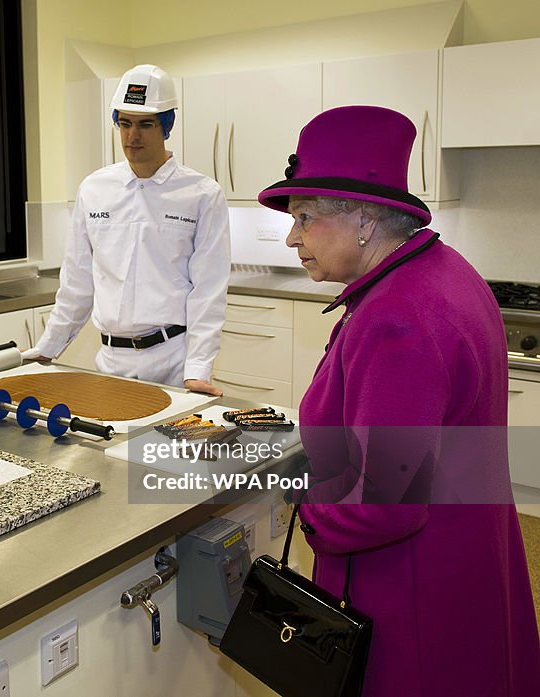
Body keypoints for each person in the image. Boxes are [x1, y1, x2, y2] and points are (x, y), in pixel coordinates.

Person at [257, 105, 540, 696]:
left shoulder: (397, 318)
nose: (292, 236)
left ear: (362, 218)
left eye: (304, 217)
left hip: (406, 582)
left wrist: (298, 495)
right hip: (465, 547)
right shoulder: (443, 270)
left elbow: (378, 504)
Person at [27, 64, 230, 395]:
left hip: (172, 360)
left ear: (168, 125)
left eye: (145, 124)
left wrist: (198, 367)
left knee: (159, 448)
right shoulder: (94, 189)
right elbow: (78, 281)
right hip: (109, 361)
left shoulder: (202, 194)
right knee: (113, 446)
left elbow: (208, 291)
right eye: (124, 123)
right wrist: (47, 347)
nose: (132, 136)